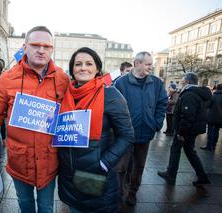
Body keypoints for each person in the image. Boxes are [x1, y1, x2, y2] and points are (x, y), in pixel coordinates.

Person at [0, 26, 69, 213]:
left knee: (46, 207)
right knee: (25, 204)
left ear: (52, 49)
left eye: (46, 46)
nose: (41, 50)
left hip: (49, 160)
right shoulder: (7, 78)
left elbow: (71, 116)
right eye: (35, 45)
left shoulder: (62, 79)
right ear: (25, 47)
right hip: (19, 160)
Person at [57, 47, 134, 213]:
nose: (83, 67)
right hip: (68, 177)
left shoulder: (111, 94)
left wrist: (104, 163)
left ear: (97, 68)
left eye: (88, 63)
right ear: (72, 69)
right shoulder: (65, 94)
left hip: (96, 175)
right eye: (78, 64)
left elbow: (127, 135)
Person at [115, 51, 167, 207]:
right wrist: (120, 128)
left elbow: (162, 103)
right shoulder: (121, 83)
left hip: (145, 134)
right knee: (121, 167)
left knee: (139, 166)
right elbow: (114, 108)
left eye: (151, 64)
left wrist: (157, 123)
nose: (151, 67)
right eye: (148, 64)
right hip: (125, 136)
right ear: (137, 63)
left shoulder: (157, 83)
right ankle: (119, 193)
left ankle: (132, 193)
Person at [158, 73, 212, 186]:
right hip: (192, 129)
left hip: (186, 130)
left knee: (176, 150)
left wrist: (181, 132)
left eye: (182, 82)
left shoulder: (190, 94)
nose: (181, 84)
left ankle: (171, 174)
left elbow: (187, 115)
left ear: (187, 82)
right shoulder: (197, 93)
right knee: (190, 151)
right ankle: (202, 176)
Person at [201, 84, 222, 151]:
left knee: (210, 131)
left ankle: (209, 146)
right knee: (216, 131)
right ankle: (214, 145)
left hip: (211, 116)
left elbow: (207, 105)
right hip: (220, 117)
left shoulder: (213, 96)